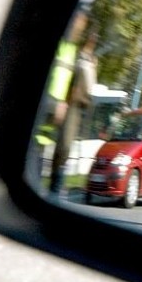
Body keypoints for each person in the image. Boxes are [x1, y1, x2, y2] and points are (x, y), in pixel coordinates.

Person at [48, 28, 99, 195]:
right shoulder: (78, 58)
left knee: (65, 149)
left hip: (76, 108)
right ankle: (55, 185)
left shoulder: (89, 62)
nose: (93, 42)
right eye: (92, 38)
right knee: (63, 148)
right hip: (68, 106)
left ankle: (56, 185)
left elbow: (90, 90)